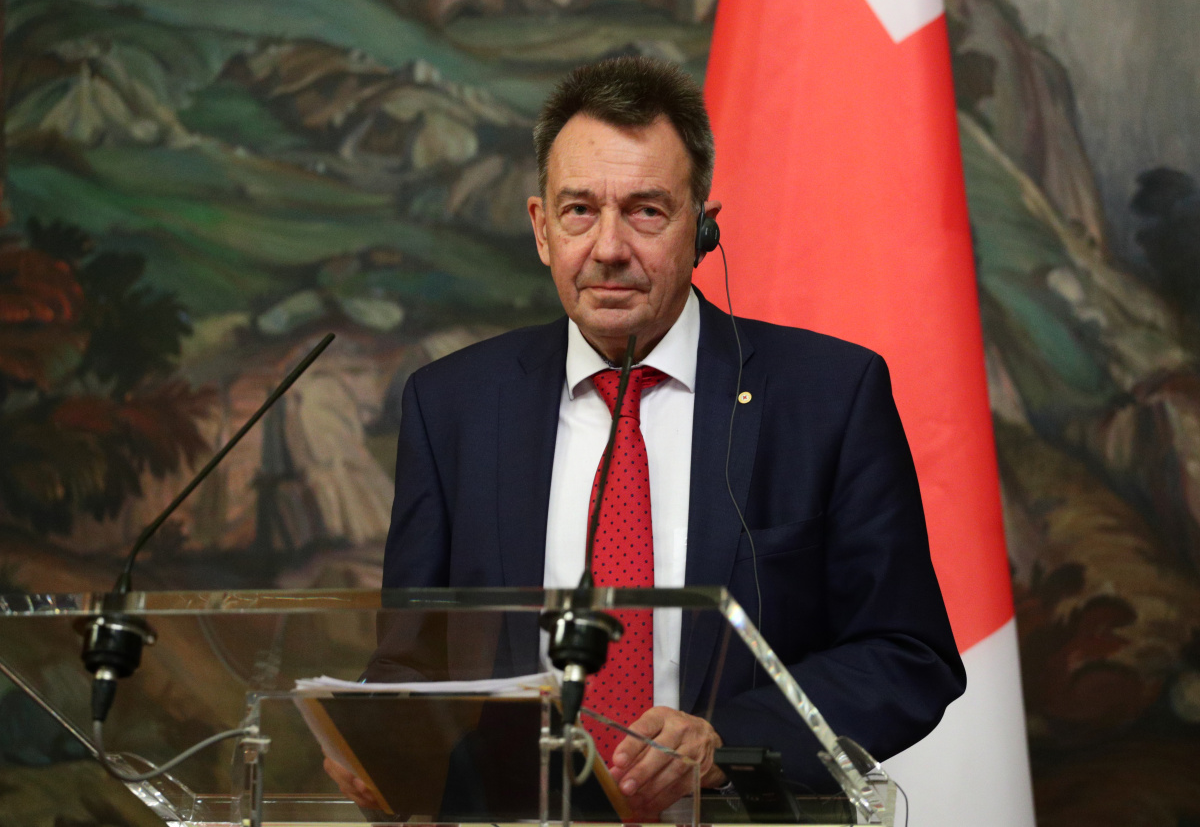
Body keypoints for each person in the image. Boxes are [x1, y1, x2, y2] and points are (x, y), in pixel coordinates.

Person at [326, 57, 965, 817]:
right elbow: (411, 657)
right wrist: (381, 740)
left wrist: (726, 741)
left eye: (646, 212)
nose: (608, 247)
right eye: (579, 210)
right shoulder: (453, 405)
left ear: (702, 227)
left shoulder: (827, 396)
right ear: (541, 228)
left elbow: (906, 655)